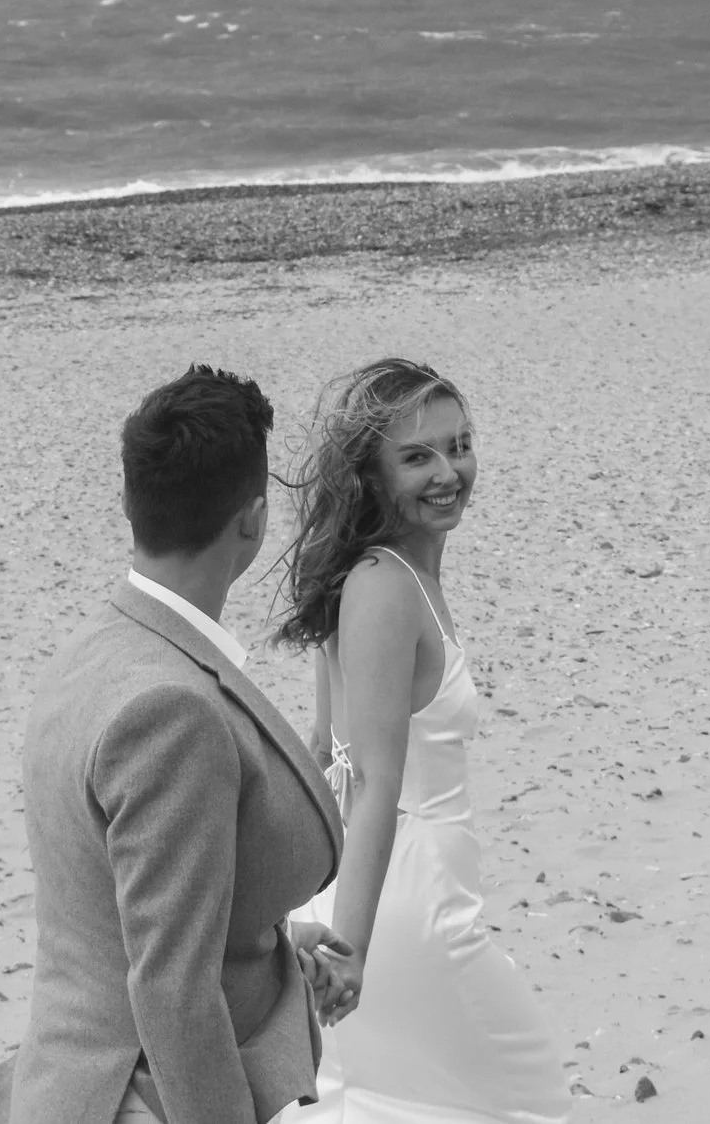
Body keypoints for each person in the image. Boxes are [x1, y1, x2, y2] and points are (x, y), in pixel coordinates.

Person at [0, 364, 351, 1124]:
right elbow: (171, 987)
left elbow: (115, 896)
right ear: (254, 520)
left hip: (68, 1069)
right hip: (135, 1100)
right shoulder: (174, 710)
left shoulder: (93, 651)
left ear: (131, 504)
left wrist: (265, 935)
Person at [279, 359, 571, 1124]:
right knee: (526, 1099)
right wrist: (352, 946)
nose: (450, 471)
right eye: (418, 456)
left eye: (460, 444)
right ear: (370, 477)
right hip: (405, 904)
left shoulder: (379, 574)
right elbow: (364, 777)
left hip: (379, 891)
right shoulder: (383, 586)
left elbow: (319, 751)